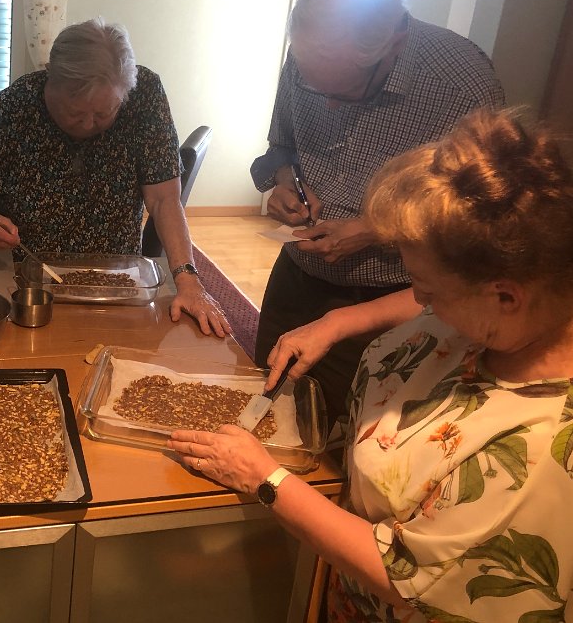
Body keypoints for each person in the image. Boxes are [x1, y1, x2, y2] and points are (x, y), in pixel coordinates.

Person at [170, 108, 573, 622]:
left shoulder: (539, 451)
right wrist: (339, 321)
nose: (420, 300)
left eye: (427, 289)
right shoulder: (503, 314)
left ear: (506, 297)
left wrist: (263, 478)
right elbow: (424, 308)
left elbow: (404, 578)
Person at [249, 0, 506, 423]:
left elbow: (475, 211)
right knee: (264, 397)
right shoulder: (309, 56)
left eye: (345, 91)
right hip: (298, 273)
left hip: (391, 293)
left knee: (350, 423)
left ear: (394, 46)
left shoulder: (462, 87)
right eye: (315, 88)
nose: (329, 106)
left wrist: (373, 229)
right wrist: (284, 179)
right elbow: (282, 145)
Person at [0, 17, 230, 337]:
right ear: (50, 78)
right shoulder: (15, 104)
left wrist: (187, 279)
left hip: (116, 283)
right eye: (75, 113)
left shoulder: (145, 93)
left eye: (105, 113)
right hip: (26, 284)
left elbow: (164, 199)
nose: (89, 125)